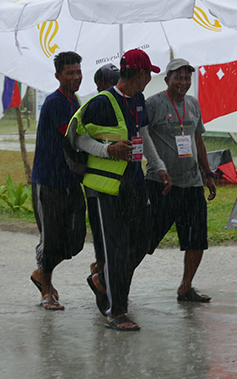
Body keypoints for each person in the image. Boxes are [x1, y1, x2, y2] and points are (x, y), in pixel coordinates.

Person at [70, 48, 171, 332]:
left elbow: (143, 135)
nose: (150, 78)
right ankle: (116, 311)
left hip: (134, 184)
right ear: (140, 74)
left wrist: (159, 165)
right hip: (106, 189)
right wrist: (108, 149)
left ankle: (102, 279)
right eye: (149, 73)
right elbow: (77, 137)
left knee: (141, 241)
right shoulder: (101, 102)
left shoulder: (138, 100)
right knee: (115, 249)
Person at [145, 58, 217, 303]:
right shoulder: (153, 104)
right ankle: (114, 283)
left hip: (192, 184)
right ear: (167, 80)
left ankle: (186, 287)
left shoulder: (193, 104)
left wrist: (207, 174)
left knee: (197, 239)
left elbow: (198, 141)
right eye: (178, 78)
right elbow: (141, 138)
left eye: (187, 78)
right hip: (161, 185)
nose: (183, 82)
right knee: (145, 239)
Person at [29, 51, 85, 311]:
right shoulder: (56, 103)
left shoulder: (76, 102)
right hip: (49, 181)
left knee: (76, 239)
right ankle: (47, 291)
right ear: (58, 76)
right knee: (51, 238)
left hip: (71, 181)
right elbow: (74, 140)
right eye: (70, 73)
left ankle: (40, 273)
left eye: (78, 71)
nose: (76, 77)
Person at [87, 63, 120, 277]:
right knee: (101, 233)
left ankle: (110, 277)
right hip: (97, 183)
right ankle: (100, 273)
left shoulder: (122, 104)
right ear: (99, 84)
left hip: (118, 183)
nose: (116, 86)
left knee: (115, 234)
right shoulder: (94, 106)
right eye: (111, 82)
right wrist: (108, 150)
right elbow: (82, 142)